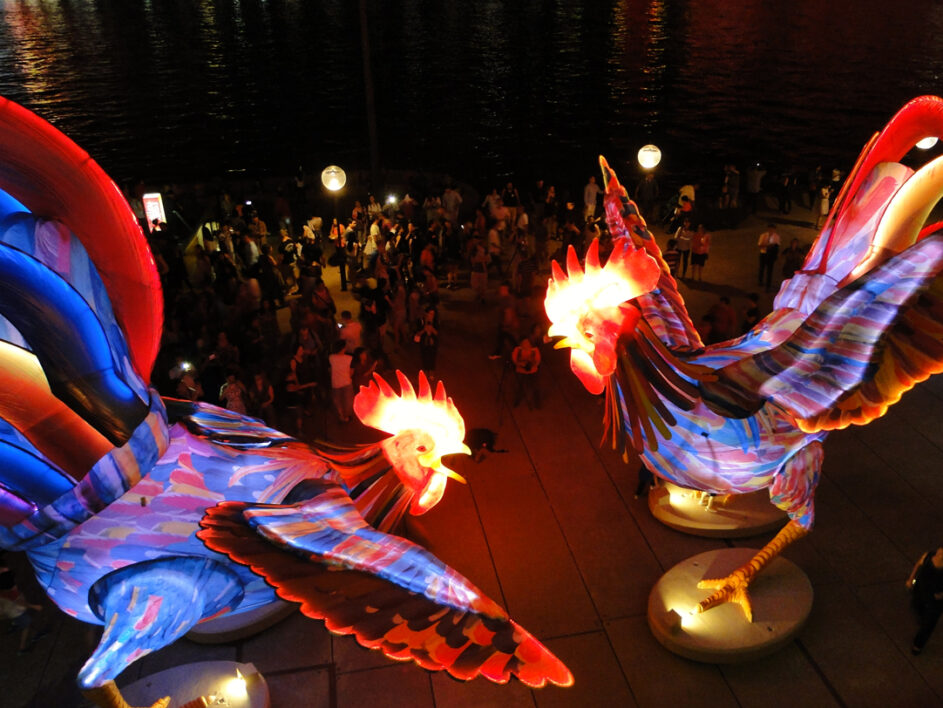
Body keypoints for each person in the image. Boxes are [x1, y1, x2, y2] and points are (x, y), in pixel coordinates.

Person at [907, 545, 943, 654]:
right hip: (922, 591)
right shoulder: (929, 556)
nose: (940, 551)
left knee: (929, 623)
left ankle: (918, 645)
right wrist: (911, 578)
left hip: (936, 599)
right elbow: (919, 564)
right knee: (918, 607)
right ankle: (922, 618)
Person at [511, 335, 541, 409]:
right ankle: (517, 400)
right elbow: (514, 359)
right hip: (521, 371)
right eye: (524, 343)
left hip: (532, 370)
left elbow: (538, 360)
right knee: (520, 387)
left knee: (534, 386)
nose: (526, 345)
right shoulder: (518, 350)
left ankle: (536, 403)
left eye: (527, 343)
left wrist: (532, 363)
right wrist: (520, 364)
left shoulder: (534, 350)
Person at [328, 340, 354, 423]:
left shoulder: (331, 358)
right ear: (343, 348)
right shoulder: (349, 359)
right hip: (346, 382)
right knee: (347, 401)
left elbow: (329, 370)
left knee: (337, 401)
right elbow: (351, 372)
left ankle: (341, 415)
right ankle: (346, 417)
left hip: (335, 383)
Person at [757, 224, 782, 291]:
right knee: (761, 269)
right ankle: (760, 281)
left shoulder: (776, 236)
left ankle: (768, 286)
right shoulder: (763, 235)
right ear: (768, 229)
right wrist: (767, 245)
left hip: (771, 255)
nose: (771, 231)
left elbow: (777, 246)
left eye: (773, 229)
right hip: (763, 254)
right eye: (770, 229)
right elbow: (759, 245)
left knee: (769, 271)